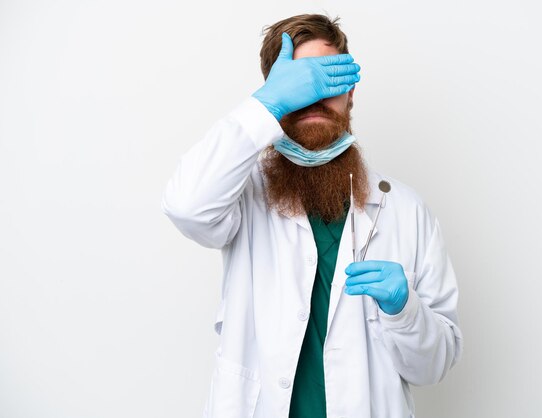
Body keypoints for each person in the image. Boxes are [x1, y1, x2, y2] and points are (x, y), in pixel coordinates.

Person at [161, 13, 463, 418]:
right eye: (299, 85)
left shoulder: (406, 211)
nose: (315, 96)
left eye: (329, 80)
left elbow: (434, 366)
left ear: (351, 91)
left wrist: (405, 309)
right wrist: (265, 105)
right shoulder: (243, 195)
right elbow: (186, 206)